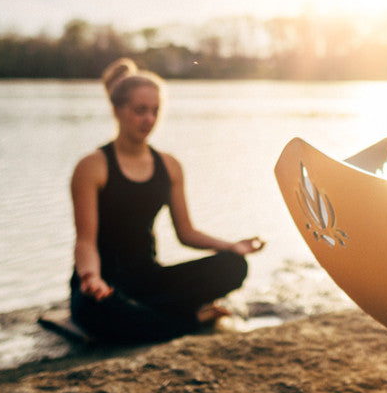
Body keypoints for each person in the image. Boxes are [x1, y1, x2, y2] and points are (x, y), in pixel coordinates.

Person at [69, 58, 265, 343]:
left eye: (155, 111)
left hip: (149, 279)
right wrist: (90, 278)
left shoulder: (169, 166)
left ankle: (149, 317)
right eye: (140, 111)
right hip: (103, 284)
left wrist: (231, 246)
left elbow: (186, 233)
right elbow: (85, 240)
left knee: (233, 265)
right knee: (99, 311)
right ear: (117, 110)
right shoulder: (92, 166)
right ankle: (189, 320)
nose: (149, 119)